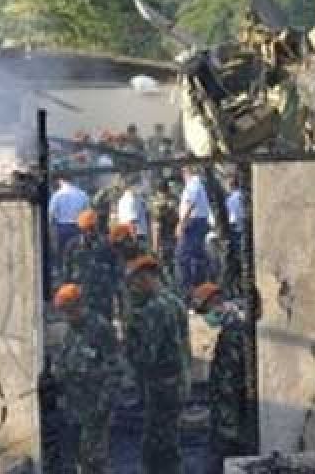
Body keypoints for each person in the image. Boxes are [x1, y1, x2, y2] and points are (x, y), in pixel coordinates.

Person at [123, 256, 187, 474]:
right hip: (177, 380)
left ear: (147, 277)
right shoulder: (175, 302)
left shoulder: (154, 309)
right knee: (170, 439)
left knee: (157, 448)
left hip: (161, 384)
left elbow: (147, 355)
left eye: (137, 282)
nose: (135, 288)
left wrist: (130, 344)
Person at [54, 283, 120, 474]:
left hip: (95, 407)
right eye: (63, 312)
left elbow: (114, 370)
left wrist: (103, 406)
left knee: (93, 461)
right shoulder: (71, 330)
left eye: (69, 310)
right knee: (78, 459)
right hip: (74, 407)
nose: (66, 316)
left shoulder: (99, 329)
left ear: (78, 305)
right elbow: (65, 361)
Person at [191, 283, 251, 473]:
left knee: (228, 450)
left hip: (231, 406)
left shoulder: (235, 329)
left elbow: (235, 373)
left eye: (206, 310)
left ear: (216, 302)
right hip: (224, 405)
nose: (206, 317)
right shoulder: (228, 326)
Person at [62, 209, 118, 320]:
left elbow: (115, 267)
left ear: (97, 226)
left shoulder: (106, 245)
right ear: (81, 229)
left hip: (103, 297)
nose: (90, 232)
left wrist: (114, 290)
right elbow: (66, 272)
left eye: (92, 228)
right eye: (86, 229)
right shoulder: (72, 246)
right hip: (82, 297)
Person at [176, 165, 211, 294]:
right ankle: (200, 288)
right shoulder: (198, 184)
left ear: (187, 170)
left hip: (193, 223)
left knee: (182, 257)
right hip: (199, 222)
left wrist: (181, 223)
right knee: (198, 257)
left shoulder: (192, 184)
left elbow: (190, 203)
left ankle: (187, 292)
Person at [48, 176, 89, 279]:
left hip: (62, 227)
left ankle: (63, 276)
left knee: (60, 254)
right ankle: (77, 275)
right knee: (77, 253)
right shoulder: (82, 194)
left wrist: (50, 228)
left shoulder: (57, 195)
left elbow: (51, 213)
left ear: (61, 180)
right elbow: (87, 212)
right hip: (78, 227)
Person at [150, 179, 180, 279]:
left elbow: (156, 227)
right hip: (175, 238)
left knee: (166, 265)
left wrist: (155, 247)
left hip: (164, 239)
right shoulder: (175, 200)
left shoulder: (157, 204)